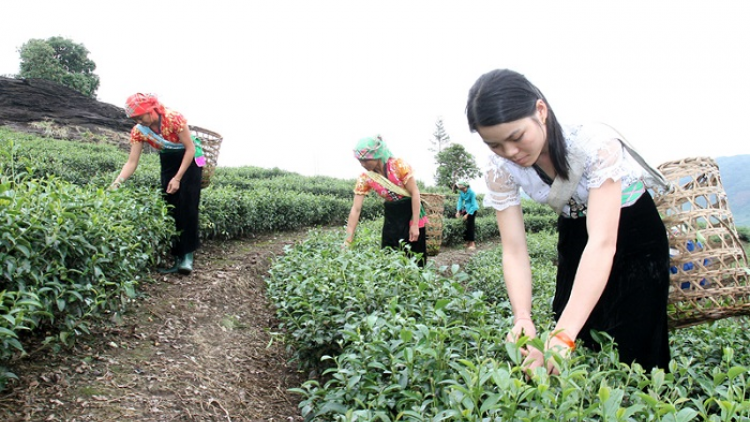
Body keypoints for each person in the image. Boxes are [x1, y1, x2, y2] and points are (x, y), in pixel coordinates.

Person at [465, 69, 670, 373]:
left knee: (635, 339)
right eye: (494, 145)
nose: (510, 152)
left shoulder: (595, 146)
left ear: (540, 111)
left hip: (633, 231)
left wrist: (564, 334)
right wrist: (522, 316)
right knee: (575, 326)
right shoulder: (500, 169)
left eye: (516, 137)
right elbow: (514, 249)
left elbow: (602, 243)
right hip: (575, 230)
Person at [111, 93, 203, 275]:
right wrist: (117, 182)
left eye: (140, 116)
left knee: (187, 205)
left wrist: (178, 178)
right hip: (168, 158)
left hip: (190, 159)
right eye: (135, 118)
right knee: (170, 206)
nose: (139, 121)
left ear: (151, 109)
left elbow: (190, 148)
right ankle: (177, 257)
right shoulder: (139, 131)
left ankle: (187, 257)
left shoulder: (173, 118)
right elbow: (132, 162)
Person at [344, 135, 428, 267]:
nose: (363, 164)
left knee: (415, 257)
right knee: (390, 255)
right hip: (392, 217)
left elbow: (415, 193)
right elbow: (356, 209)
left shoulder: (399, 166)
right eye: (360, 161)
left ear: (376, 155)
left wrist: (415, 224)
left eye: (365, 160)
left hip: (411, 213)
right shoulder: (366, 178)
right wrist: (348, 238)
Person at [455, 180, 479, 250]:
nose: (462, 190)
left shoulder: (472, 193)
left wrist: (467, 215)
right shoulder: (462, 192)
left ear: (466, 187)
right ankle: (468, 242)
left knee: (470, 225)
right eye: (461, 189)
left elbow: (474, 205)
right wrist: (458, 211)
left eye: (463, 189)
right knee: (466, 225)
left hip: (472, 210)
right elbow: (460, 201)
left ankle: (472, 243)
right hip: (466, 209)